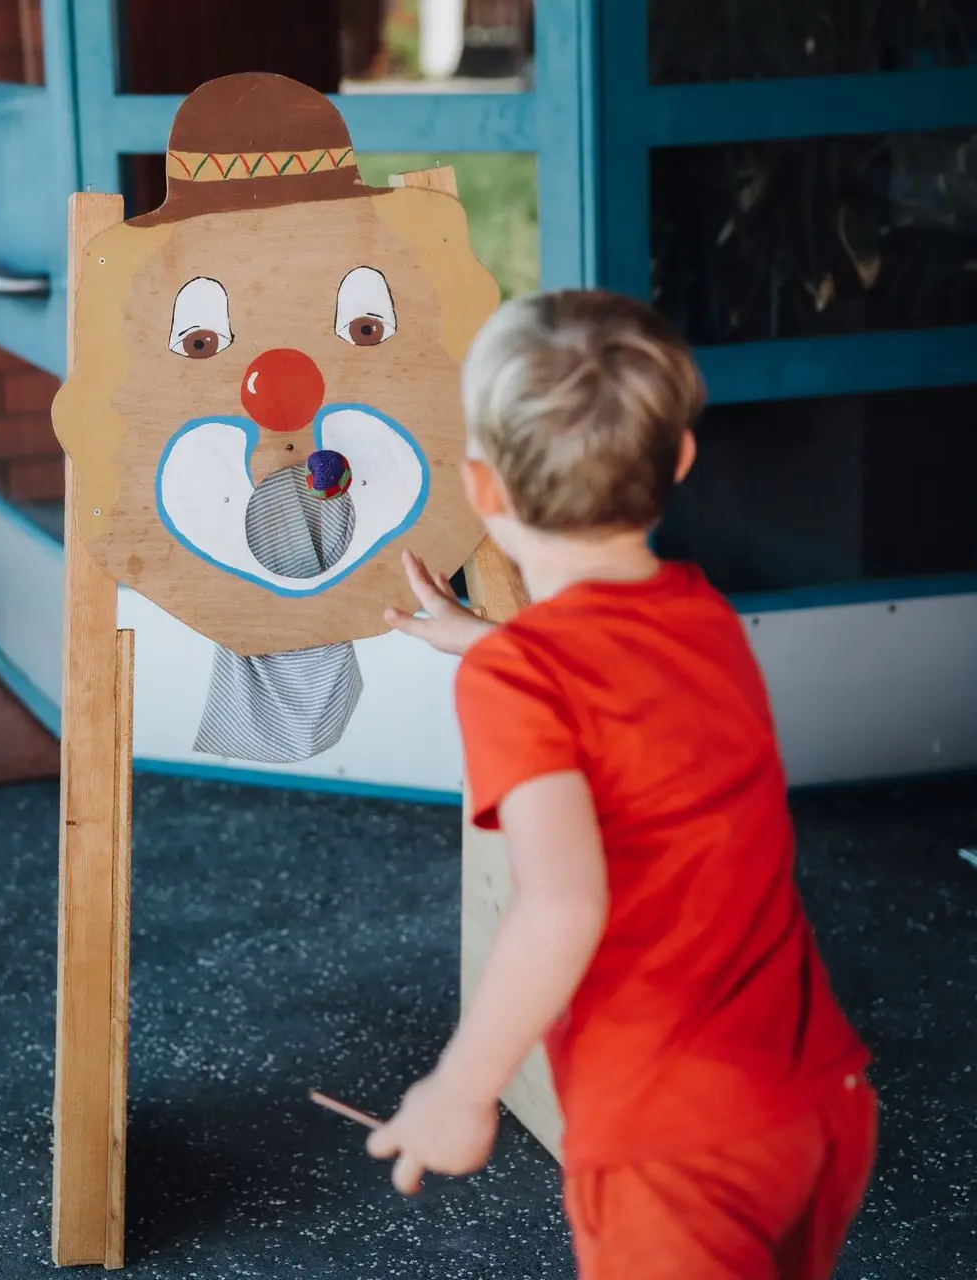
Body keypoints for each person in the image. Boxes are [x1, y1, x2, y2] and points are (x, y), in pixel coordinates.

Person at [370, 290, 877, 1279]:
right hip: (815, 1099)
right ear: (679, 459)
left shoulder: (520, 680)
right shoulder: (701, 614)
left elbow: (563, 905)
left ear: (483, 489)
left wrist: (460, 1089)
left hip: (672, 1143)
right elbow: (617, 683)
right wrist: (487, 641)